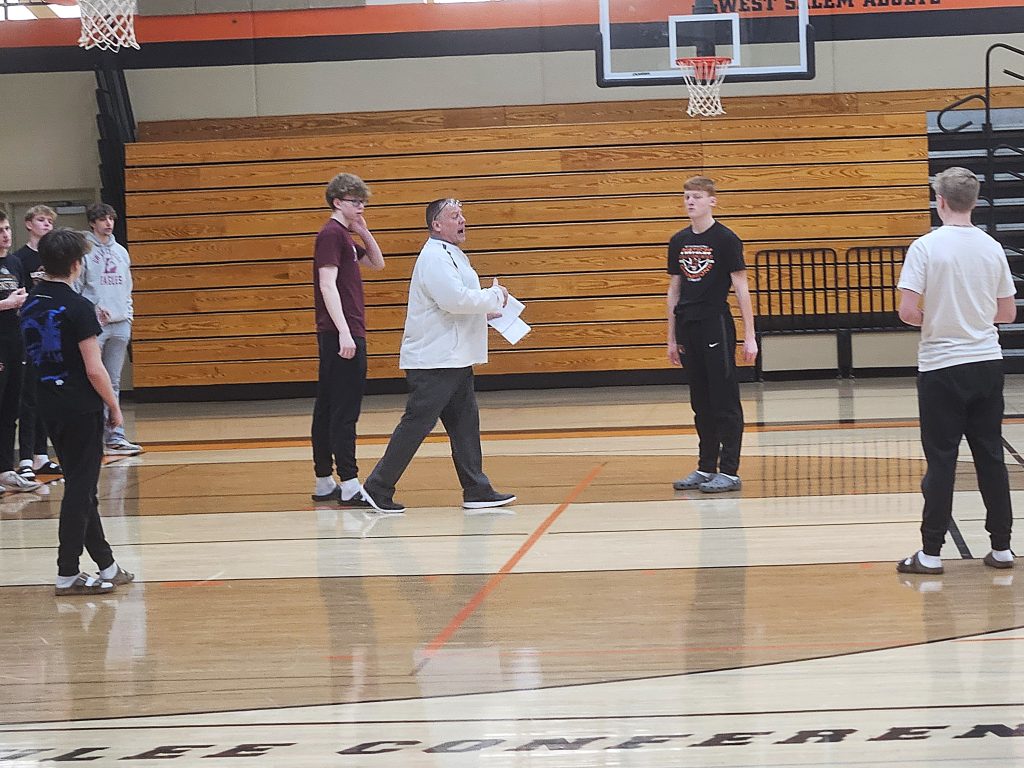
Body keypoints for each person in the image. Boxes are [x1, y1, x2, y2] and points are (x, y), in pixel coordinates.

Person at [895, 166, 1016, 575]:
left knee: (942, 460)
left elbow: (908, 312)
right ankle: (1002, 548)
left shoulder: (925, 247)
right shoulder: (992, 246)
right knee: (990, 457)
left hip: (941, 367)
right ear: (975, 202)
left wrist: (940, 316)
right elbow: (1007, 312)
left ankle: (930, 553)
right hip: (986, 363)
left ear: (940, 201)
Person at [359, 198, 516, 513]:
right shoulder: (433, 257)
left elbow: (454, 304)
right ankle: (377, 487)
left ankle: (476, 489)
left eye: (462, 215)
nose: (463, 220)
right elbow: (454, 300)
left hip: (454, 358)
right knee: (416, 424)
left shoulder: (451, 254)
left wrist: (485, 312)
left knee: (464, 425)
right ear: (437, 225)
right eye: (455, 216)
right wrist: (494, 295)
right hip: (434, 361)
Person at [20, 228, 135, 595]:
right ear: (76, 264)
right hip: (80, 406)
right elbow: (94, 368)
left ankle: (107, 564)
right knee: (79, 491)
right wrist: (114, 407)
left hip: (47, 405)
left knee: (84, 490)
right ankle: (67, 572)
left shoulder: (31, 302)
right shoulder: (78, 307)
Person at [667, 176, 757, 494]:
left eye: (696, 197)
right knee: (700, 401)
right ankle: (706, 467)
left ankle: (729, 471)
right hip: (687, 326)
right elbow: (674, 289)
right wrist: (671, 336)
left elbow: (742, 288)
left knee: (724, 399)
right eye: (687, 197)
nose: (690, 202)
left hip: (715, 323)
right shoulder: (678, 240)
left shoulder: (726, 239)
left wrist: (750, 335)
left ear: (711, 201)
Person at [310, 173, 384, 505]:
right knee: (344, 409)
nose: (361, 207)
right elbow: (327, 284)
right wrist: (343, 331)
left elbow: (377, 263)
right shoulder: (330, 235)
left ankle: (325, 480)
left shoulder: (342, 236)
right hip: (343, 331)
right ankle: (350, 482)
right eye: (356, 202)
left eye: (363, 202)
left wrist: (363, 230)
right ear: (338, 202)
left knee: (328, 406)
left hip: (342, 331)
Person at [77, 203, 143, 456]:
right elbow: (77, 287)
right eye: (102, 219)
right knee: (93, 378)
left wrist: (128, 314)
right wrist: (91, 312)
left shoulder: (121, 251)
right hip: (95, 326)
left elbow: (127, 287)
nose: (108, 223)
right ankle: (92, 436)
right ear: (92, 223)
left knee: (113, 381)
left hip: (120, 322)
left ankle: (115, 436)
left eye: (111, 219)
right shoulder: (84, 251)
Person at [14, 204, 62, 481]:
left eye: (50, 221)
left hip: (50, 333)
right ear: (29, 224)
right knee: (28, 398)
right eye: (41, 220)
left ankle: (41, 454)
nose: (47, 225)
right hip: (26, 333)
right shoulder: (20, 259)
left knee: (45, 394)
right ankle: (26, 457)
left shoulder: (54, 257)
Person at [0, 211, 41, 494]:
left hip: (17, 342)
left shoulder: (14, 262)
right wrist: (5, 304)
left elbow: (22, 296)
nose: (5, 234)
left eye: (6, 228)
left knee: (10, 410)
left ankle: (5, 469)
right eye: (0, 230)